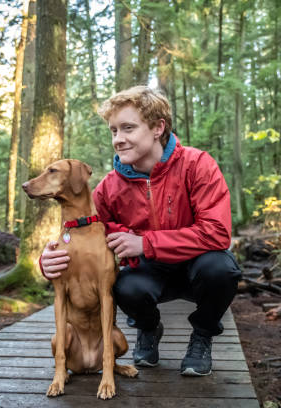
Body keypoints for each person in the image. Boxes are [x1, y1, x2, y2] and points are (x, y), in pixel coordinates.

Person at [39, 85, 242, 376]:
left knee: (221, 269)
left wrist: (145, 242)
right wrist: (47, 262)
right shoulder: (108, 188)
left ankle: (202, 336)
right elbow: (80, 237)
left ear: (158, 127)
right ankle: (148, 329)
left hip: (198, 265)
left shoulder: (198, 165)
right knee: (125, 286)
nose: (118, 139)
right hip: (149, 272)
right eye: (113, 131)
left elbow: (217, 233)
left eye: (128, 128)